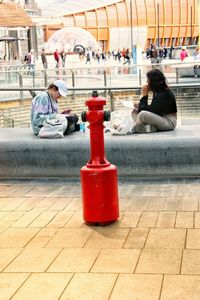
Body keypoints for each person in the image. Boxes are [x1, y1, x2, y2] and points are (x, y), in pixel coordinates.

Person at [131, 69, 177, 133]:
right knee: (134, 112)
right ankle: (149, 128)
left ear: (154, 82)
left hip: (169, 122)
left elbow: (146, 111)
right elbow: (152, 109)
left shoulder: (164, 94)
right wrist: (139, 105)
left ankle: (135, 128)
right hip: (161, 118)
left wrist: (144, 95)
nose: (147, 82)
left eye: (148, 80)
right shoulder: (159, 91)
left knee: (142, 115)